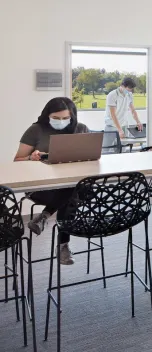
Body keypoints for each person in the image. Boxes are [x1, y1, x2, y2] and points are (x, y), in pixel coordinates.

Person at [14, 97, 89, 265]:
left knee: (72, 190)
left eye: (65, 118)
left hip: (72, 185)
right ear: (47, 115)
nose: (60, 121)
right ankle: (63, 245)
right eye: (56, 118)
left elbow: (92, 157)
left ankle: (45, 216)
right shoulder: (36, 130)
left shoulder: (81, 129)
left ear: (72, 116)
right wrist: (31, 158)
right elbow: (17, 160)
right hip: (41, 187)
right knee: (72, 194)